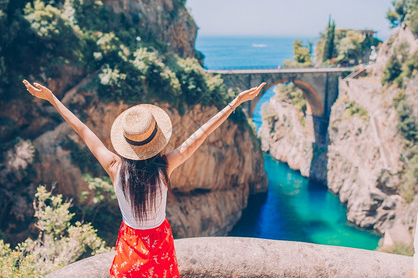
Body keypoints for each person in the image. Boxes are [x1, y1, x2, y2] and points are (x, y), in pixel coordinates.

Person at [23, 79, 265, 277]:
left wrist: (52, 99)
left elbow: (83, 130)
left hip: (129, 251)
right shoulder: (164, 167)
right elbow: (199, 136)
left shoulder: (114, 167)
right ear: (156, 140)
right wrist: (236, 102)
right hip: (160, 251)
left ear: (127, 143)